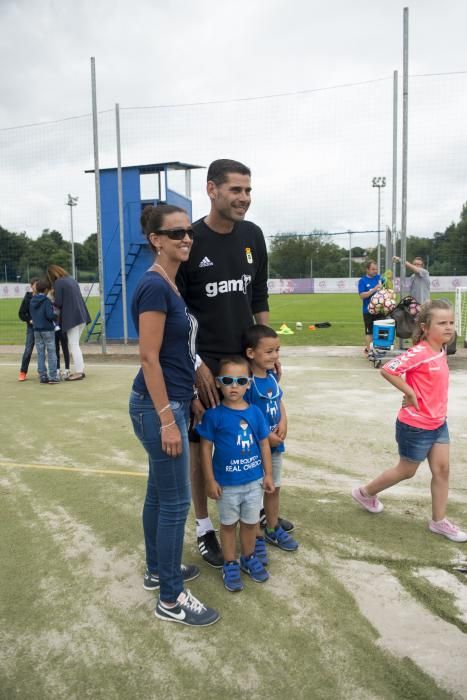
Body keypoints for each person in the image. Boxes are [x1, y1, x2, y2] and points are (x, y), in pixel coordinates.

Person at [176, 158, 293, 568]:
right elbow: (179, 314)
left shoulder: (252, 235)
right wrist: (194, 368)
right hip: (206, 365)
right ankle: (205, 527)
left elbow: (258, 295)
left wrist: (268, 351)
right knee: (204, 447)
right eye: (235, 190)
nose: (244, 198)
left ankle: (254, 513)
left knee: (253, 438)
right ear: (212, 189)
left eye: (248, 190)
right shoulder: (190, 240)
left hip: (248, 364)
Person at [129, 203, 219, 627]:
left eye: (189, 233)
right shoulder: (154, 287)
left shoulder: (169, 282)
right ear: (156, 239)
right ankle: (170, 597)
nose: (187, 238)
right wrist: (168, 417)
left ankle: (156, 570)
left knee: (158, 494)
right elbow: (149, 357)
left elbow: (175, 352)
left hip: (173, 401)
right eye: (177, 233)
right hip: (156, 405)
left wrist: (187, 398)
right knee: (176, 502)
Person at [351, 299, 467, 542]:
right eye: (442, 323)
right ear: (425, 327)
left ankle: (439, 521)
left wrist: (415, 391)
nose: (449, 327)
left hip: (438, 422)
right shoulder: (419, 352)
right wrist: (410, 393)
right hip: (415, 426)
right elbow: (388, 369)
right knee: (406, 471)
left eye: (451, 323)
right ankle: (365, 493)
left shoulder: (441, 348)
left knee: (442, 470)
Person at [196, 355, 275, 592]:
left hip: (253, 483)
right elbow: (205, 449)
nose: (234, 386)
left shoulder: (255, 414)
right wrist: (210, 480)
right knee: (228, 526)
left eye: (241, 381)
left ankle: (249, 557)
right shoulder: (213, 416)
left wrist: (268, 474)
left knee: (251, 524)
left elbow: (263, 444)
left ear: (249, 383)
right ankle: (230, 563)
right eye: (228, 380)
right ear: (218, 383)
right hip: (227, 485)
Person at [243, 325, 299, 562]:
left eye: (277, 350)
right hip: (256, 450)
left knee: (274, 487)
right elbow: (244, 416)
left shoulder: (272, 378)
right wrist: (265, 435)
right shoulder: (247, 383)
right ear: (251, 353)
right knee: (255, 494)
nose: (275, 356)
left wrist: (284, 421)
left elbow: (279, 401)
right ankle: (254, 537)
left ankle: (273, 529)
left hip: (276, 446)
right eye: (269, 352)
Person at [45, 265, 91, 381]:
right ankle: (80, 370)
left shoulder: (58, 283)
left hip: (72, 318)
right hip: (82, 316)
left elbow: (59, 303)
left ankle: (79, 372)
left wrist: (51, 299)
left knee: (74, 345)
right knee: (75, 344)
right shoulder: (71, 279)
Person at [29, 279, 60, 384]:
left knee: (40, 353)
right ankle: (53, 376)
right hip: (47, 329)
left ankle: (42, 375)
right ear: (46, 290)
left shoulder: (32, 300)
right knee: (51, 352)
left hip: (36, 330)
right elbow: (49, 315)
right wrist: (56, 314)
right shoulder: (46, 301)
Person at [358, 259, 383, 355]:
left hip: (380, 310)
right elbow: (362, 296)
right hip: (367, 311)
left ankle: (379, 350)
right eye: (373, 269)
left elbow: (388, 285)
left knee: (380, 331)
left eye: (376, 269)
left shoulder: (380, 278)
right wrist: (374, 289)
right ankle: (370, 352)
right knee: (369, 332)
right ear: (367, 270)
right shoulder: (362, 281)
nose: (375, 271)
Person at [18, 277, 39, 381]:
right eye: (35, 285)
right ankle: (23, 372)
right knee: (28, 350)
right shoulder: (27, 298)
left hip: (42, 329)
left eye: (38, 285)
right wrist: (29, 320)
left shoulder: (43, 297)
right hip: (31, 329)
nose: (36, 286)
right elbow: (21, 314)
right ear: (31, 286)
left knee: (41, 351)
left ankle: (42, 372)